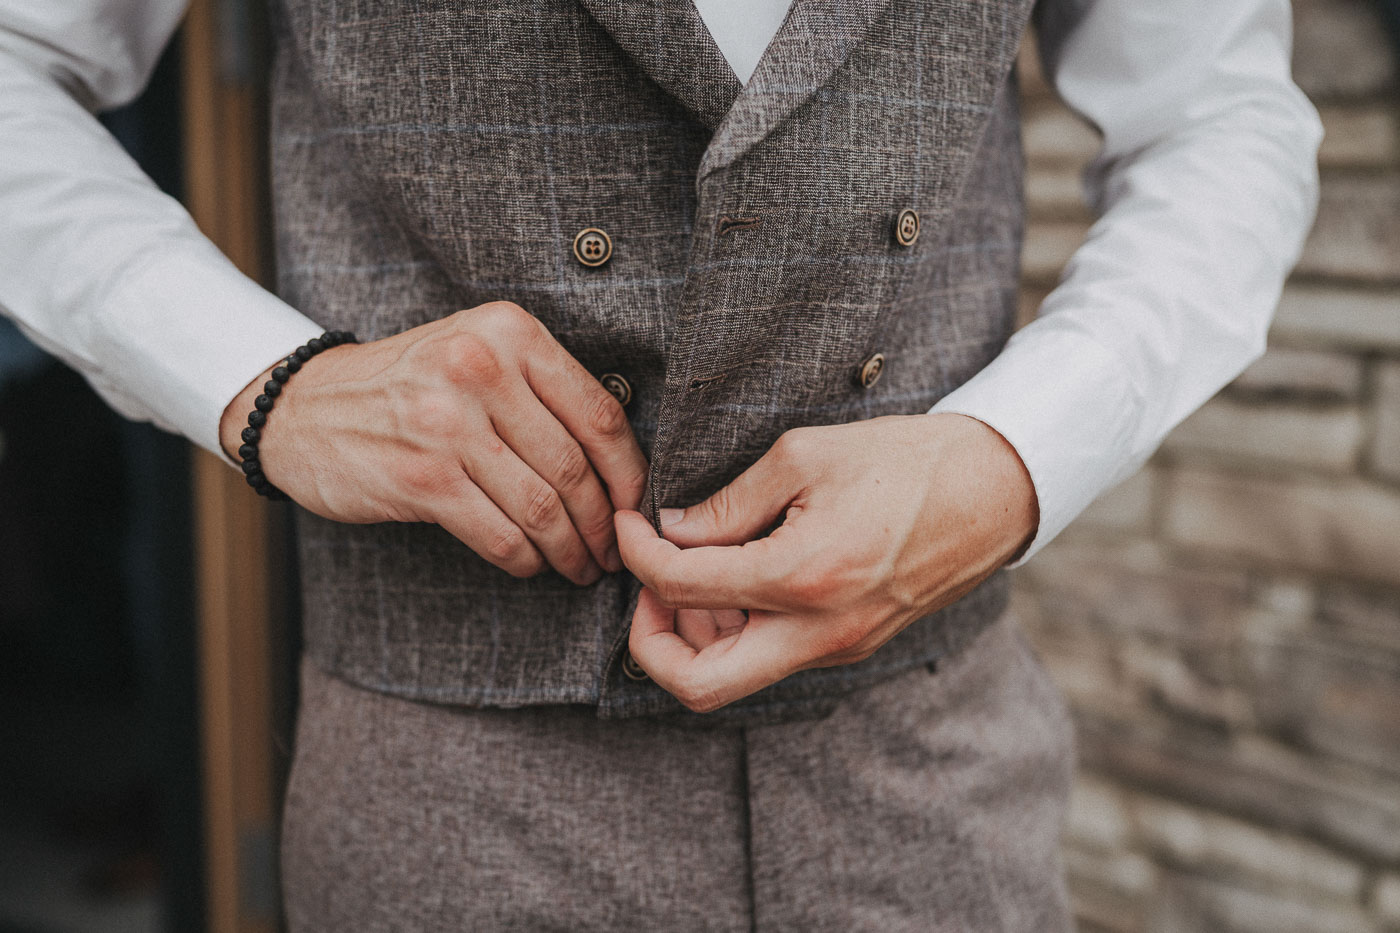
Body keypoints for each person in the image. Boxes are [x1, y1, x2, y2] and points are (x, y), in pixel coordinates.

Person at [0, 0, 1320, 929]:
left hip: (938, 782)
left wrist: (1016, 456)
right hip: (454, 804)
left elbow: (1218, 112)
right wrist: (270, 381)